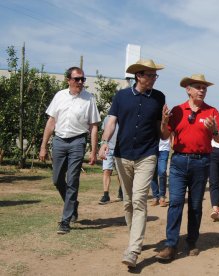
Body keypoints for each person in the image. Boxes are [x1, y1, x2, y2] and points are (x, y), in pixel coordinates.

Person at [98, 59, 165, 268]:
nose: (154, 79)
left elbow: (161, 132)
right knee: (127, 202)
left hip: (147, 155)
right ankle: (134, 236)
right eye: (151, 75)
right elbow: (111, 122)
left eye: (155, 75)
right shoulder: (121, 96)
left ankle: (133, 249)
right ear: (139, 76)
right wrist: (104, 142)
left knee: (139, 200)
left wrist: (165, 121)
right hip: (122, 154)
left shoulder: (159, 97)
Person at [155, 74, 219, 261]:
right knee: (175, 203)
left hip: (201, 163)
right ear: (188, 89)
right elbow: (163, 136)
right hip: (178, 162)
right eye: (198, 87)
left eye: (204, 88)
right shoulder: (177, 110)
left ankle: (192, 241)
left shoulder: (212, 112)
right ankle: (170, 244)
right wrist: (163, 121)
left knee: (195, 205)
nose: (202, 90)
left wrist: (214, 130)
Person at [39, 66, 100, 235]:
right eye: (77, 79)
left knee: (72, 179)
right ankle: (72, 203)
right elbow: (51, 121)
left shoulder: (89, 99)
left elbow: (94, 126)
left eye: (83, 79)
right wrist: (43, 146)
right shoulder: (59, 96)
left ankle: (65, 220)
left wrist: (93, 151)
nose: (80, 82)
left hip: (77, 141)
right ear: (68, 80)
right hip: (59, 141)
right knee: (57, 179)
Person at [99, 115, 123, 204]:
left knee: (120, 172)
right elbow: (104, 132)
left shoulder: (123, 116)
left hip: (120, 148)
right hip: (108, 148)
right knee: (106, 170)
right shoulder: (107, 118)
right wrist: (102, 145)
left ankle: (121, 191)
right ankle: (106, 195)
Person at [149, 137, 171, 207]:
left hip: (164, 149)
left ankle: (162, 197)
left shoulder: (166, 124)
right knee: (152, 173)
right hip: (151, 149)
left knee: (162, 171)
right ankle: (155, 197)